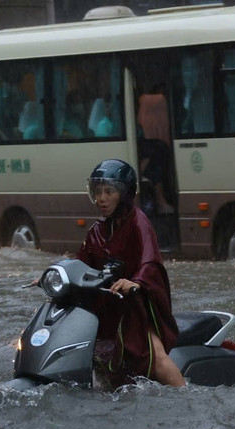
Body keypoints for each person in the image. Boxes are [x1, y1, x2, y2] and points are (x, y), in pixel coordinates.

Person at [75, 159, 185, 389]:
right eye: (97, 192)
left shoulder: (139, 222)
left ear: (124, 194)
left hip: (135, 307)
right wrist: (54, 275)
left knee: (157, 358)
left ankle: (190, 401)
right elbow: (80, 263)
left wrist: (135, 282)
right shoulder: (97, 230)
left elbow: (151, 262)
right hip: (108, 306)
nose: (101, 198)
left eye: (109, 191)